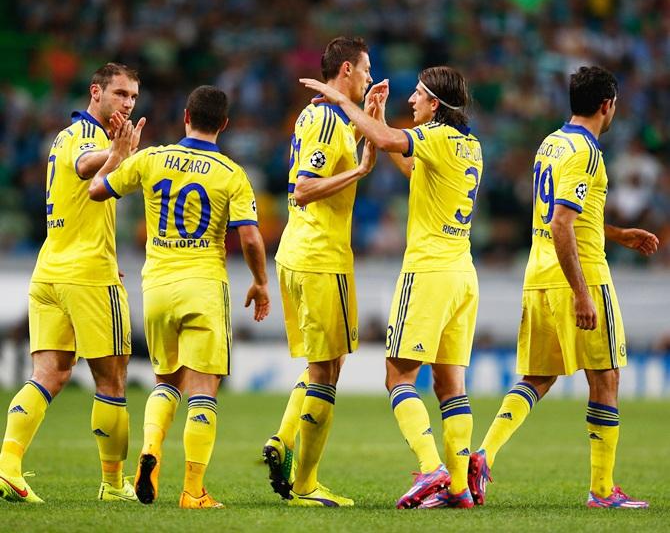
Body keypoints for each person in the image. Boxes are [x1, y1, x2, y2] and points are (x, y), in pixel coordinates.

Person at [467, 66, 658, 509]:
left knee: (536, 377)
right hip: (580, 275)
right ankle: (603, 491)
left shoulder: (550, 143)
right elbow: (562, 223)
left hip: (537, 275)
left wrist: (616, 233)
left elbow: (566, 214)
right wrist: (583, 293)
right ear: (607, 105)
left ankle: (484, 455)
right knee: (606, 377)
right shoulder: (588, 151)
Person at [301, 65, 483, 509]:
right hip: (463, 274)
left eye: (418, 95)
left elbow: (386, 143)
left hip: (428, 272)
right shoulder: (470, 145)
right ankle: (458, 487)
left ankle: (430, 467)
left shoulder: (436, 136)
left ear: (436, 104)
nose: (411, 101)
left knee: (398, 376)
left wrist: (347, 104)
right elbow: (409, 166)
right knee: (450, 385)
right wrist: (377, 119)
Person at [89, 85, 270, 509]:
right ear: (223, 124)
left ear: (185, 115)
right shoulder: (231, 174)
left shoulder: (151, 158)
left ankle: (150, 449)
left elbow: (97, 191)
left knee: (165, 382)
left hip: (156, 287)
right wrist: (261, 281)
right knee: (204, 389)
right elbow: (249, 237)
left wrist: (117, 154)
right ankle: (193, 489)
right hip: (204, 285)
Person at [0, 63, 144, 504]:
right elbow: (86, 168)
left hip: (52, 269)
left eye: (133, 97)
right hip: (86, 275)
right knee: (113, 379)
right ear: (95, 91)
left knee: (51, 373)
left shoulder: (65, 136)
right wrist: (118, 154)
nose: (127, 104)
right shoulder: (87, 137)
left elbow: (81, 196)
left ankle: (7, 466)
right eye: (120, 94)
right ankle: (113, 483)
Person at [262, 36, 382, 508]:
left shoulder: (319, 115)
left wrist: (369, 117)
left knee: (324, 364)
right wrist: (358, 173)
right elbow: (305, 187)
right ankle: (306, 485)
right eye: (367, 70)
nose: (371, 76)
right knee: (326, 370)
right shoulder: (329, 119)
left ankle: (283, 439)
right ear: (347, 69)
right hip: (320, 255)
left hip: (301, 250)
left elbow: (332, 151)